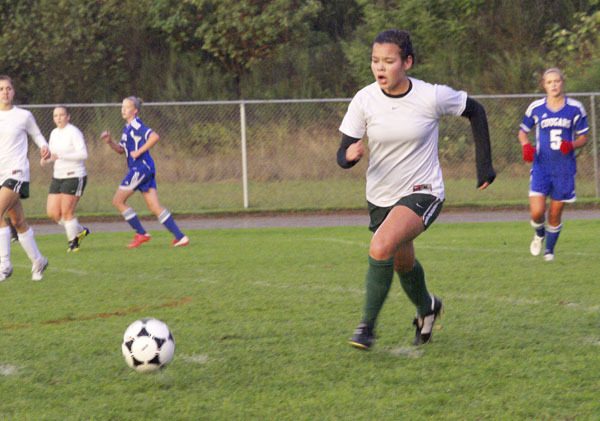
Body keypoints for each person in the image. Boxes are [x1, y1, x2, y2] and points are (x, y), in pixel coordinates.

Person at [337, 30, 495, 350]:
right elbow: (343, 153)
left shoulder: (430, 95)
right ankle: (428, 309)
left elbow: (475, 110)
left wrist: (484, 166)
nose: (380, 68)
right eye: (375, 61)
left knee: (381, 245)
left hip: (424, 191)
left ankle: (366, 327)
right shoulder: (364, 99)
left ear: (407, 62)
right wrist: (349, 157)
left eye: (389, 61)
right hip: (381, 195)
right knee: (401, 262)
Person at [518, 68, 589, 262]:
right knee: (537, 211)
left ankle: (549, 250)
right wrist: (526, 146)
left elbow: (584, 137)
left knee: (555, 213)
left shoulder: (575, 108)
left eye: (557, 81)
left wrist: (572, 144)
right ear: (544, 84)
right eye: (549, 82)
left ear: (562, 82)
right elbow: (523, 131)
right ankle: (539, 233)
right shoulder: (536, 108)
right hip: (542, 167)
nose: (554, 85)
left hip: (564, 169)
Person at [100, 96, 189, 248]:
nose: (123, 109)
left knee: (118, 201)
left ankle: (141, 233)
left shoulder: (136, 125)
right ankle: (180, 237)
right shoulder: (127, 128)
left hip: (140, 168)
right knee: (154, 207)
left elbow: (155, 137)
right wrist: (110, 142)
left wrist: (139, 151)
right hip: (146, 168)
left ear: (135, 111)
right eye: (122, 106)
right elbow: (122, 150)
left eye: (127, 107)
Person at [0, 75, 50, 281]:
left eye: (8, 88)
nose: (5, 92)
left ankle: (4, 265)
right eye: (1, 89)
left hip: (17, 171)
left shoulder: (23, 116)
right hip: (1, 173)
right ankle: (38, 260)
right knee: (18, 221)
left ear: (14, 91)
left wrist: (45, 147)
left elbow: (37, 135)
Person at [41, 106, 91, 252]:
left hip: (74, 175)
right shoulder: (54, 133)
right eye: (56, 115)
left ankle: (73, 243)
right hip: (58, 176)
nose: (59, 118)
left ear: (68, 117)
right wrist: (45, 160)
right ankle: (80, 230)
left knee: (66, 212)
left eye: (62, 115)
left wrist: (62, 156)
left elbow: (83, 154)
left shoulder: (73, 132)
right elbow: (52, 155)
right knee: (53, 213)